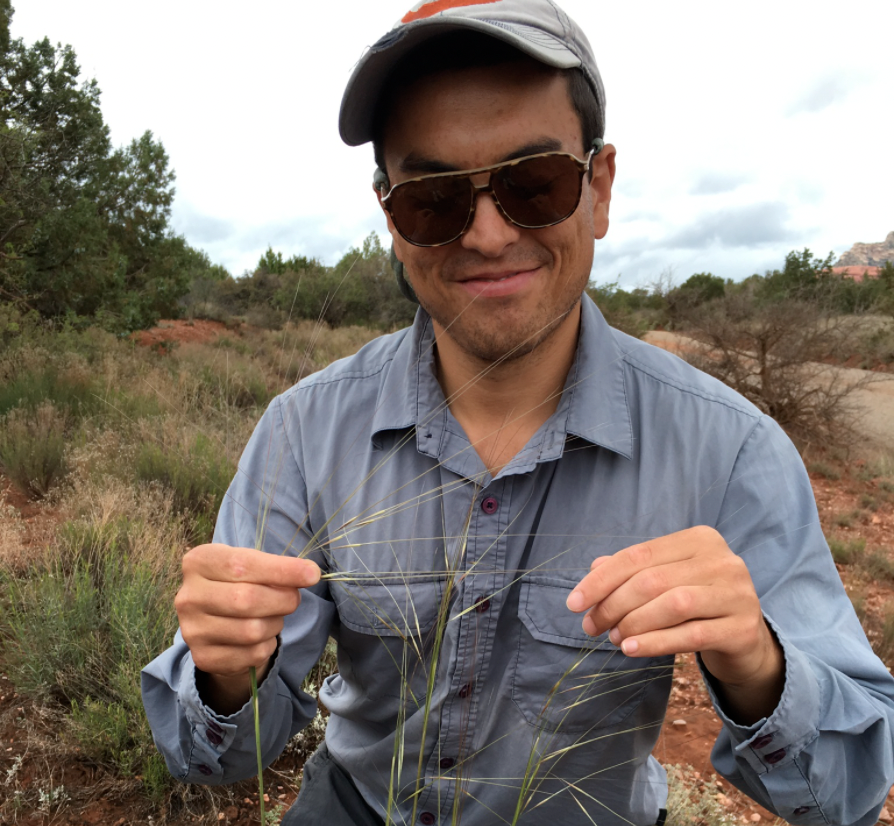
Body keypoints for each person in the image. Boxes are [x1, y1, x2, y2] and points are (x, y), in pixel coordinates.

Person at [142, 2, 894, 824]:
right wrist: (220, 676)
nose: (490, 235)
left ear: (599, 190)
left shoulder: (731, 448)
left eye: (535, 184)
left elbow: (847, 790)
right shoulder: (303, 433)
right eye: (434, 199)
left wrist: (759, 664)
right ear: (391, 218)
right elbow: (213, 754)